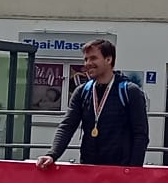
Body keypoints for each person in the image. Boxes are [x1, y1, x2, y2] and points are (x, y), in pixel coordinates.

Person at [37, 40, 151, 170]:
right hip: (89, 169)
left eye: (93, 58)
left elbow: (140, 135)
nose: (88, 63)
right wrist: (52, 154)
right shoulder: (82, 91)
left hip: (120, 171)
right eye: (86, 59)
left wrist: (134, 170)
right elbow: (67, 126)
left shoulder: (130, 91)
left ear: (108, 59)